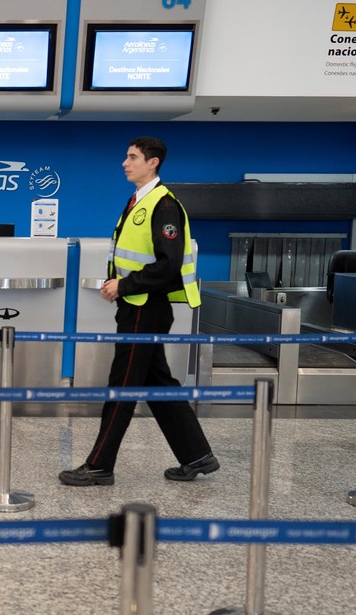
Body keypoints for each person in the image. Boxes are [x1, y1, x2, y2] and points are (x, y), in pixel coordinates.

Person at [59, 136, 218, 486]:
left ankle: (99, 465)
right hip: (137, 306)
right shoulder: (139, 202)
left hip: (146, 308)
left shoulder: (164, 205)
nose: (125, 163)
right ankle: (197, 455)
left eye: (132, 157)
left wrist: (125, 286)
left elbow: (168, 265)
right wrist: (116, 284)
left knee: (123, 385)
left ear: (153, 162)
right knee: (156, 381)